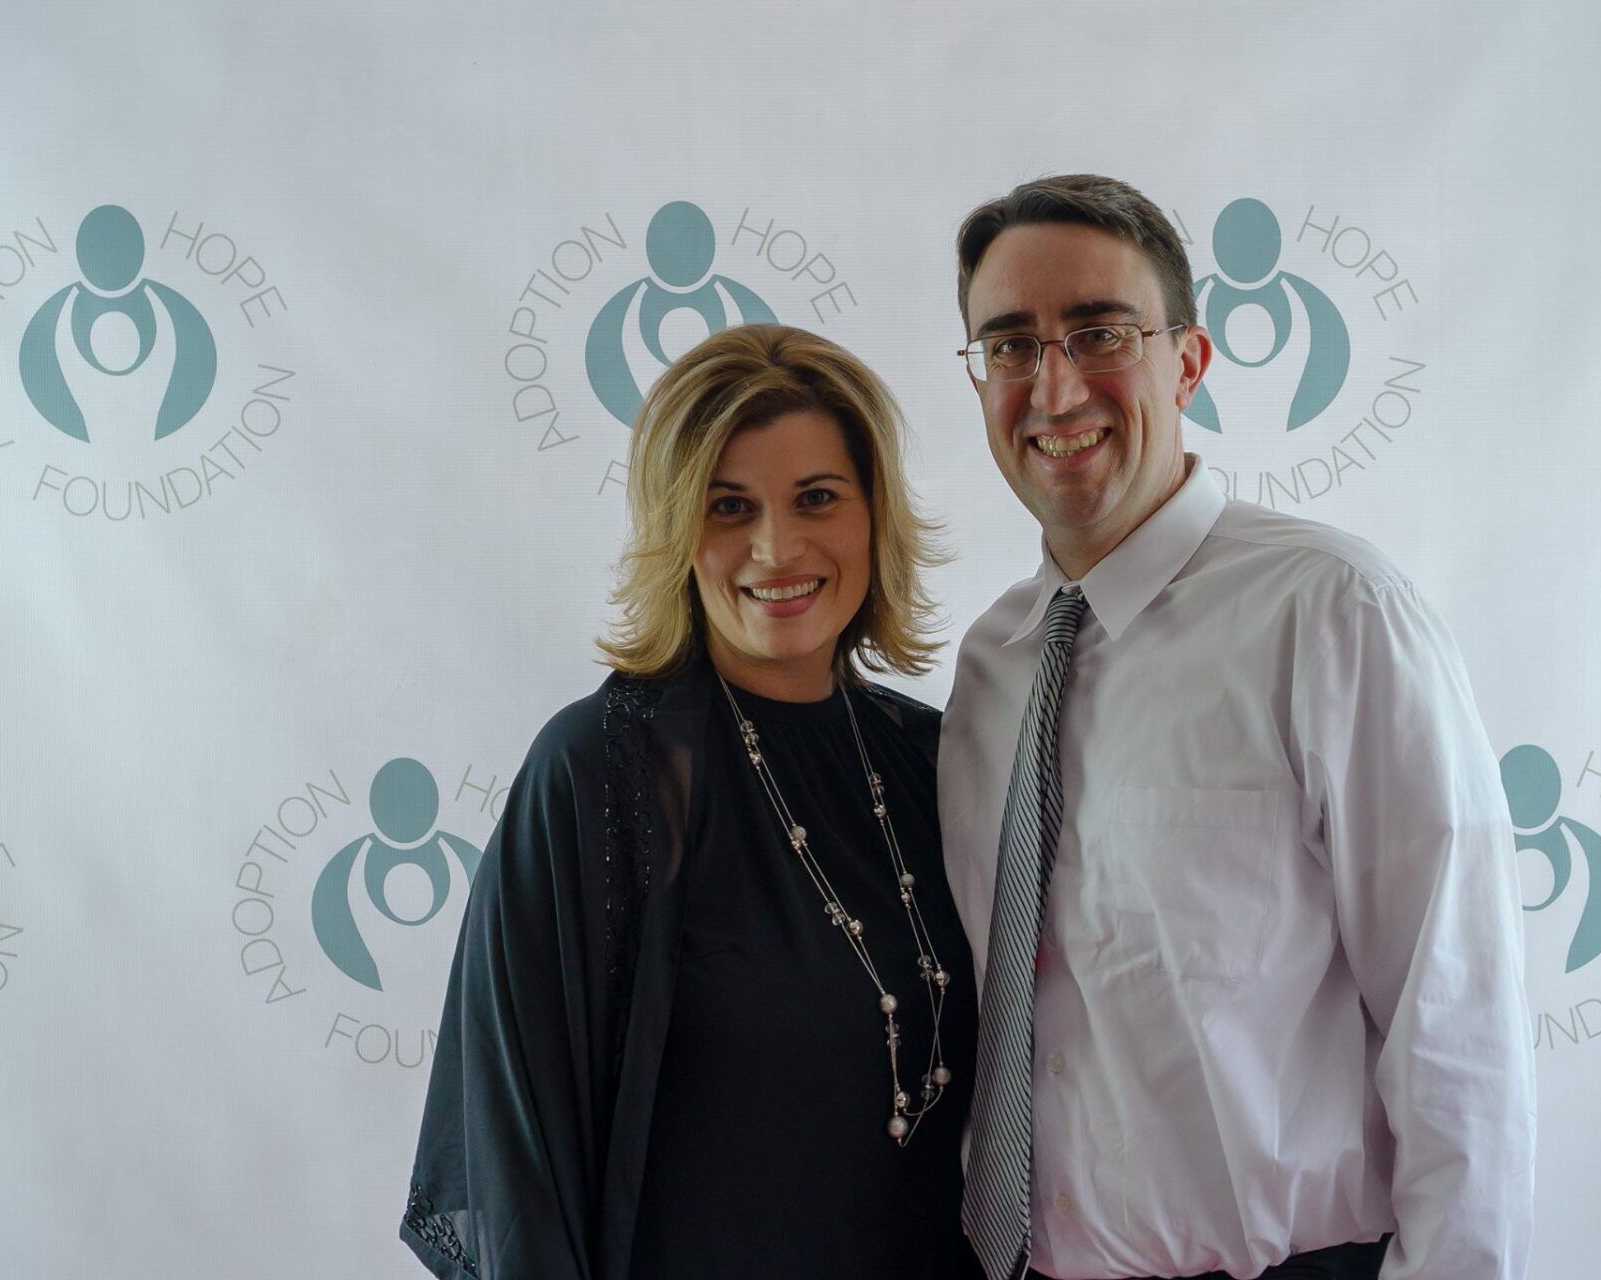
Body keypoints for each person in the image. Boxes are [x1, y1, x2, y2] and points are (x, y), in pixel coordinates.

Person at [939, 175, 1534, 1280]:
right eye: (1010, 345)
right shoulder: (991, 663)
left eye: (1099, 333)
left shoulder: (1332, 612)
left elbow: (1454, 1020)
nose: (1054, 387)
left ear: (1189, 361)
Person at [402, 323, 982, 1280]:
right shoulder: (603, 772)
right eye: (728, 507)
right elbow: (513, 1162)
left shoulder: (933, 757)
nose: (776, 547)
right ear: (676, 530)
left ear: (875, 514)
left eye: (817, 498)